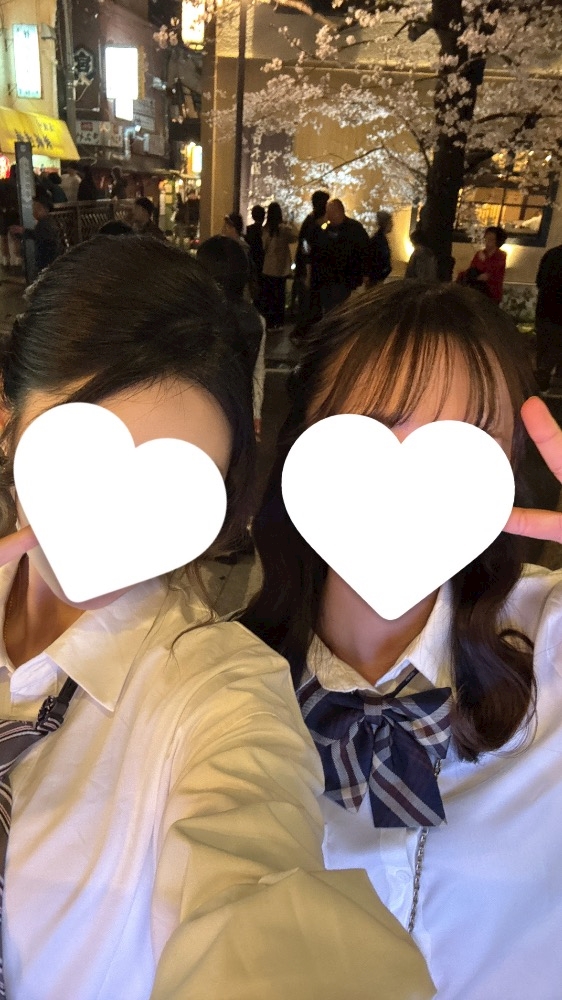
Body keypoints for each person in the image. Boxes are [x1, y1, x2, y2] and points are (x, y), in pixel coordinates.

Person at [0, 239, 434, 1000]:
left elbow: (258, 873)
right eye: (80, 462)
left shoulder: (223, 689)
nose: (113, 526)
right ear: (8, 422)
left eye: (172, 492)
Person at [243, 279, 562, 1000]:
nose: (409, 484)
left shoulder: (548, 635)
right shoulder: (222, 683)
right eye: (372, 432)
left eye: (463, 450)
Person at [196, 234, 266, 442]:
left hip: (198, 415)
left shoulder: (194, 316)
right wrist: (256, 412)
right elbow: (257, 371)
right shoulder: (255, 319)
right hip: (238, 415)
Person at [309, 199, 369, 315]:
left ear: (338, 212)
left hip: (347, 280)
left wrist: (365, 274)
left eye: (329, 212)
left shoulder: (355, 229)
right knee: (330, 311)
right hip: (329, 280)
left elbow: (365, 252)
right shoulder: (326, 229)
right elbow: (318, 251)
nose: (327, 216)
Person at [291, 190, 330, 339]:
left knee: (310, 303)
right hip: (309, 271)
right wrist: (307, 272)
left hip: (310, 270)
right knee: (308, 304)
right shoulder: (313, 224)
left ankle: (305, 333)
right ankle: (303, 334)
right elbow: (306, 247)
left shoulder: (313, 221)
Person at [260, 202, 298, 331]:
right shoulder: (284, 230)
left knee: (269, 297)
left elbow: (263, 246)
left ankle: (270, 323)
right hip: (282, 269)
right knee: (280, 296)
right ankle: (279, 322)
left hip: (268, 268)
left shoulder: (266, 230)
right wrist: (291, 223)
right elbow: (296, 236)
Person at [534, 242, 562, 391]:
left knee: (543, 346)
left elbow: (539, 281)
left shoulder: (550, 254)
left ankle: (539, 380)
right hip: (558, 314)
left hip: (544, 309)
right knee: (556, 346)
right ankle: (547, 378)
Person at [457, 225, 507, 303]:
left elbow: (489, 274)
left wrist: (484, 260)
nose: (487, 241)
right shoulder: (479, 254)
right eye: (486, 238)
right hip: (475, 291)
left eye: (491, 239)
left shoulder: (500, 256)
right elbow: (472, 270)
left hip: (490, 293)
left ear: (497, 241)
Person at [19, 194, 63, 274]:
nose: (33, 211)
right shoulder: (48, 221)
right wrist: (24, 231)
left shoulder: (44, 224)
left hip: (47, 263)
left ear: (43, 209)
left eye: (36, 208)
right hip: (50, 262)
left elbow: (42, 237)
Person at [365, 209, 393, 287]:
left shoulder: (379, 239)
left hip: (378, 278)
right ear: (385, 223)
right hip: (376, 280)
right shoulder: (379, 241)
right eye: (390, 222)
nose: (392, 225)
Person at [245, 204, 266, 281]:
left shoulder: (248, 230)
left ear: (253, 216)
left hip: (251, 261)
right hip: (263, 263)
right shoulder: (265, 231)